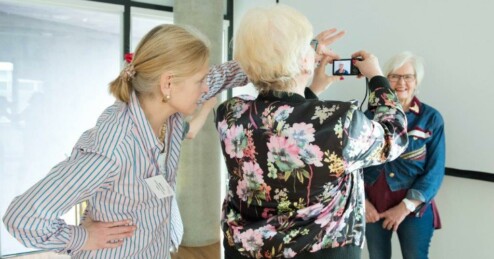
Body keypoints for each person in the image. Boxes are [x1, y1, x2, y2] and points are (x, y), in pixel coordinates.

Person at [2, 24, 248, 258]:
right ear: (168, 83)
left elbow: (221, 76)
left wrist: (265, 64)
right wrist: (82, 237)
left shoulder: (166, 109)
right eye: (200, 81)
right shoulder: (114, 149)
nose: (206, 88)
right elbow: (23, 218)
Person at [215, 5, 408, 259]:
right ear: (305, 60)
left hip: (245, 251)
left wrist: (311, 93)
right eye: (308, 46)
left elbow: (277, 124)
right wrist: (377, 78)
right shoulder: (340, 120)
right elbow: (393, 135)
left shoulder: (229, 114)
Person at [363, 51, 445, 259]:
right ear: (384, 80)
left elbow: (435, 172)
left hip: (413, 207)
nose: (401, 82)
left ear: (416, 81)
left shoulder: (431, 118)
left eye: (407, 76)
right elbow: (352, 165)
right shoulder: (369, 116)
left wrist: (405, 207)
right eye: (394, 76)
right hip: (372, 205)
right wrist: (362, 202)